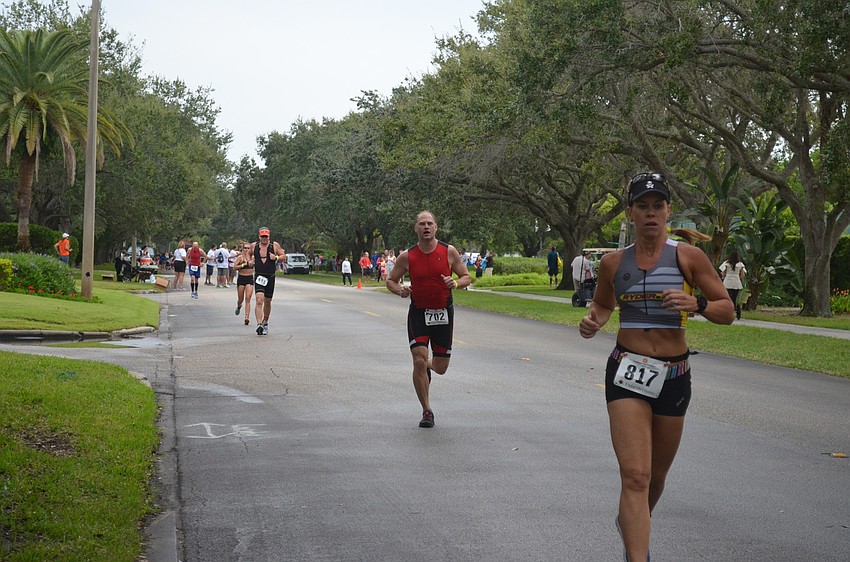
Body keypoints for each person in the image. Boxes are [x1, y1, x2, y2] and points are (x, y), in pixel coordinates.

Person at [578, 172, 734, 562]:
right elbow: (603, 304)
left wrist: (697, 305)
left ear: (667, 211)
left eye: (658, 206)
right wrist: (592, 319)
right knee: (635, 474)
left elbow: (727, 311)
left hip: (673, 376)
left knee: (656, 478)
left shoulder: (688, 257)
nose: (651, 213)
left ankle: (633, 523)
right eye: (642, 206)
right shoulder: (614, 263)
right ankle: (639, 556)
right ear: (630, 213)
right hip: (626, 370)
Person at [386, 211, 472, 428]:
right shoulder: (407, 256)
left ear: (436, 228)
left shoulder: (448, 251)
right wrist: (400, 291)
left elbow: (466, 276)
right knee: (418, 359)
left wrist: (456, 283)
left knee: (441, 367)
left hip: (443, 312)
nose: (426, 227)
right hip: (419, 313)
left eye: (430, 224)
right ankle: (427, 410)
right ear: (415, 228)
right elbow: (391, 281)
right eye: (422, 224)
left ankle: (428, 367)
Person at [250, 227, 286, 335]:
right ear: (259, 236)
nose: (264, 238)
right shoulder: (254, 246)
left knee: (267, 301)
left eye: (266, 236)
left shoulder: (274, 246)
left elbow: (283, 256)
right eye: (262, 236)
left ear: (269, 236)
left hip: (270, 276)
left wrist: (276, 258)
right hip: (259, 276)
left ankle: (265, 322)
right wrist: (250, 260)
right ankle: (259, 324)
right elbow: (249, 254)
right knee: (259, 300)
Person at [719, 250, 747, 320]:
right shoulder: (740, 264)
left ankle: (728, 309)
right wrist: (738, 277)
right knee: (735, 297)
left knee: (728, 296)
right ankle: (735, 308)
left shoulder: (726, 263)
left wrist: (724, 278)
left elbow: (723, 273)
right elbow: (743, 274)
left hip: (727, 281)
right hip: (736, 281)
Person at [233, 242, 255, 325]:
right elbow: (234, 267)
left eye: (248, 248)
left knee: (248, 298)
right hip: (241, 278)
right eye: (245, 248)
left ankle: (247, 317)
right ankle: (239, 306)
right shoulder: (240, 258)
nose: (246, 249)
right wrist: (243, 265)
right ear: (242, 249)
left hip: (249, 278)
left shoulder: (253, 258)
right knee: (240, 299)